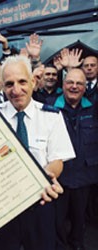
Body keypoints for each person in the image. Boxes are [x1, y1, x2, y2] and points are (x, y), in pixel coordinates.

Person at [0, 55, 75, 250]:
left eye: (22, 82)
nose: (16, 90)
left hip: (40, 202)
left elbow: (57, 160)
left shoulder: (51, 116)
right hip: (2, 205)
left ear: (33, 82)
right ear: (1, 86)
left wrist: (46, 176)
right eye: (9, 84)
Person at [49, 68, 98, 250]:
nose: (74, 86)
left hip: (84, 176)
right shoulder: (50, 107)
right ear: (62, 86)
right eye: (70, 82)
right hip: (59, 176)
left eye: (79, 83)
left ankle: (77, 245)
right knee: (57, 220)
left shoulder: (94, 107)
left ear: (85, 88)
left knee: (80, 219)